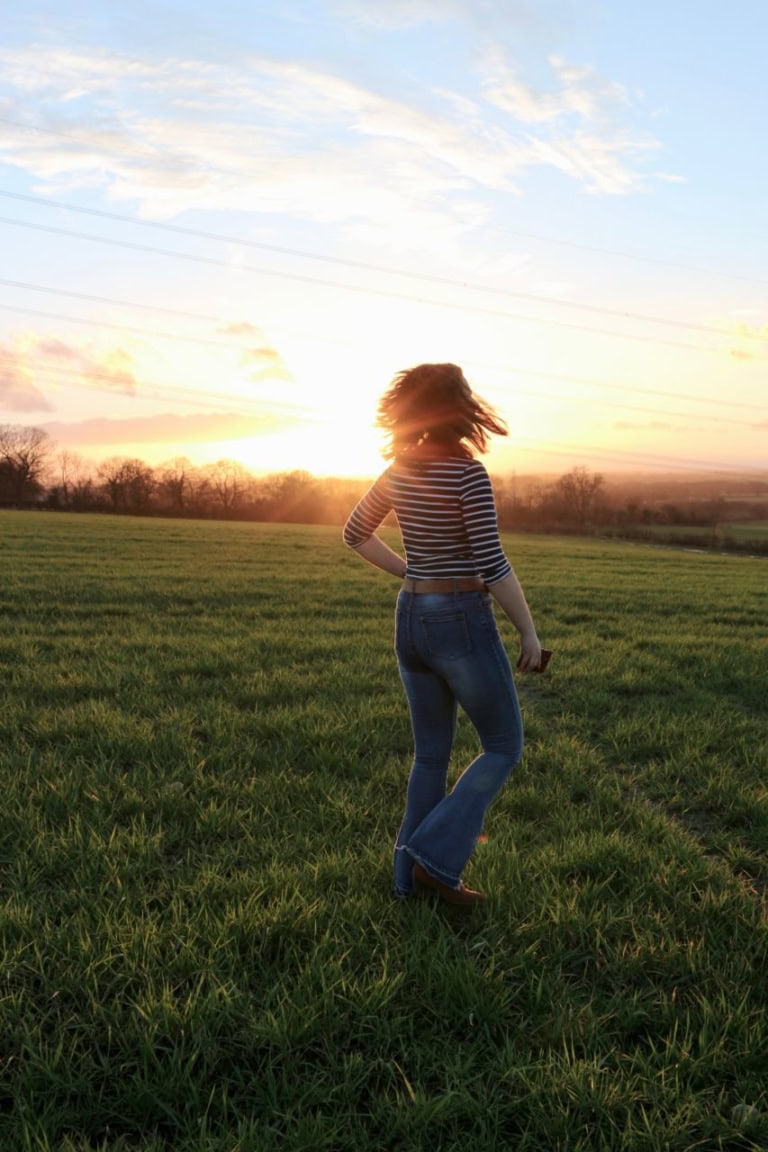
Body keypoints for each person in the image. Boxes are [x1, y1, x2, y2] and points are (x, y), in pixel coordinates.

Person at [343, 363, 542, 905]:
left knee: (429, 757)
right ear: (462, 407)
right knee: (503, 746)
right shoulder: (467, 474)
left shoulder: (398, 470)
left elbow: (355, 533)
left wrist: (410, 572)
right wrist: (527, 631)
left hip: (410, 615)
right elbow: (492, 561)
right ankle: (435, 859)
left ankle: (406, 882)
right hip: (458, 617)